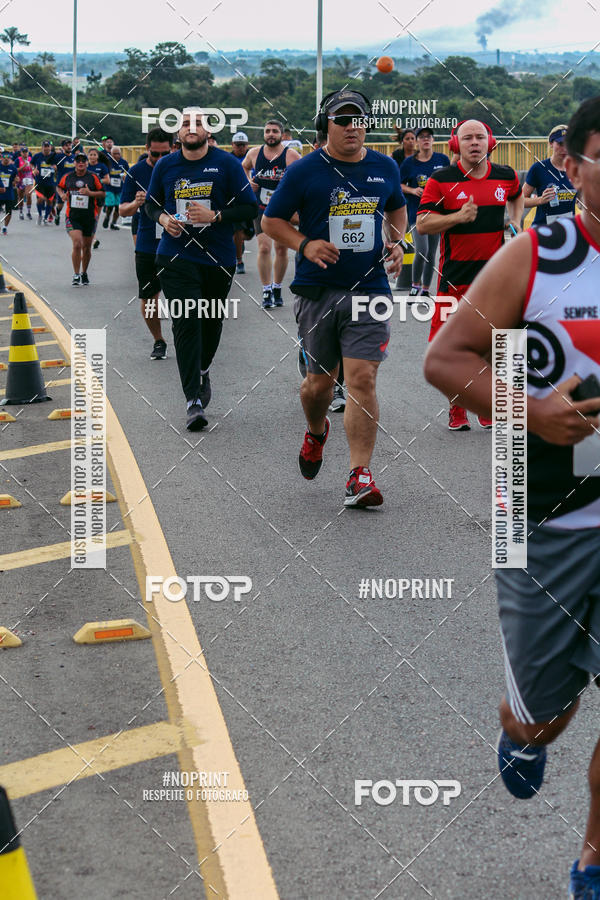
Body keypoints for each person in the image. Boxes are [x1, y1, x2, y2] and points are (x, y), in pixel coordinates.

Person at [423, 95, 600, 900]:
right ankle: (527, 731)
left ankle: (593, 857)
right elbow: (444, 359)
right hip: (538, 504)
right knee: (544, 713)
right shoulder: (538, 256)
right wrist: (529, 410)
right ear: (571, 166)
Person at [262, 89, 407, 507]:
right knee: (318, 386)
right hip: (318, 290)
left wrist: (397, 243)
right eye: (342, 120)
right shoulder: (305, 170)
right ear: (326, 124)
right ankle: (316, 430)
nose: (352, 127)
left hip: (370, 288)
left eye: (359, 119)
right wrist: (305, 244)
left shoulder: (384, 167)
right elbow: (270, 220)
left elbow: (397, 210)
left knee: (362, 378)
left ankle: (359, 474)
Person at [144, 111, 258, 430]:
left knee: (210, 322)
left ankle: (203, 369)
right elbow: (151, 203)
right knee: (186, 322)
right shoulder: (166, 165)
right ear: (178, 133)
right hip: (176, 257)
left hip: (218, 258)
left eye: (197, 124)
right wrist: (164, 219)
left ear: (208, 131)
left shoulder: (227, 164)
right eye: (185, 124)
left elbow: (249, 207)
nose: (191, 129)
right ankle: (193, 399)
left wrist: (216, 216)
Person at [416, 119, 523, 431]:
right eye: (467, 138)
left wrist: (514, 220)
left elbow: (516, 193)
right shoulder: (441, 179)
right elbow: (422, 223)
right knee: (454, 348)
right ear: (455, 145)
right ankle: (457, 408)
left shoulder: (505, 176)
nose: (474, 143)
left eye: (480, 137)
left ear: (489, 142)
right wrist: (457, 217)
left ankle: (485, 405)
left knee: (492, 345)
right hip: (454, 279)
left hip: (492, 281)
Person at [119, 127, 172, 359]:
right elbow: (122, 210)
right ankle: (158, 340)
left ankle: (186, 336)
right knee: (149, 297)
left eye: (165, 154)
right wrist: (136, 203)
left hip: (178, 243)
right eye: (155, 155)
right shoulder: (136, 172)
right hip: (148, 244)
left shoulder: (179, 168)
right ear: (147, 150)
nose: (160, 159)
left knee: (185, 296)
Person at [242, 120, 301, 307]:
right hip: (261, 207)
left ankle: (277, 286)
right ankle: (266, 290)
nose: (270, 134)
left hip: (282, 209)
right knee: (264, 247)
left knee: (281, 249)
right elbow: (243, 166)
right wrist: (248, 181)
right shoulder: (254, 153)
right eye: (267, 131)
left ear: (282, 135)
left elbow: (303, 176)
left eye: (274, 131)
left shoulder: (291, 155)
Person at [399, 127, 449, 297]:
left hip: (437, 214)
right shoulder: (409, 163)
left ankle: (426, 289)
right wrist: (413, 190)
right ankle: (414, 286)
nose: (426, 140)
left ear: (433, 140)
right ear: (417, 141)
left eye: (429, 137)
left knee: (431, 253)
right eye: (422, 137)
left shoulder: (442, 159)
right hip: (417, 213)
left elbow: (450, 181)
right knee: (422, 250)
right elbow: (399, 184)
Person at [57, 152, 105, 286]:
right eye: (78, 161)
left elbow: (103, 193)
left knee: (87, 247)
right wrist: (62, 195)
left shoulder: (93, 177)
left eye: (83, 160)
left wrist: (90, 193)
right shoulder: (67, 177)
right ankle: (76, 274)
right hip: (72, 216)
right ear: (74, 163)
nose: (81, 163)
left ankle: (84, 273)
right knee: (77, 243)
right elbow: (59, 187)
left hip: (89, 216)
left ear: (87, 163)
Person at [523, 124, 577, 226]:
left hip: (567, 231)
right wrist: (540, 200)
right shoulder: (538, 168)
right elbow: (520, 200)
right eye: (560, 143)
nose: (565, 148)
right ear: (551, 143)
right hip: (543, 230)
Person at [230, 131, 251, 273]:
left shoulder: (251, 158)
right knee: (237, 230)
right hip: (234, 200)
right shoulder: (228, 159)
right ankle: (238, 260)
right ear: (233, 145)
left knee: (249, 233)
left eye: (243, 145)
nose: (241, 147)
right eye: (238, 145)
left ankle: (238, 243)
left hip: (251, 199)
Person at [86, 147, 110, 249]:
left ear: (98, 156)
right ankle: (92, 239)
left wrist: (96, 180)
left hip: (99, 194)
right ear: (88, 156)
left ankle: (91, 238)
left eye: (94, 155)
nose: (92, 157)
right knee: (87, 217)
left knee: (95, 218)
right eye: (90, 155)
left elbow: (107, 180)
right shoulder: (85, 166)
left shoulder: (102, 166)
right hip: (87, 196)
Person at [31, 140, 57, 225]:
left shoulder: (54, 156)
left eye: (47, 146)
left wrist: (55, 167)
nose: (46, 148)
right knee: (41, 199)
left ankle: (46, 218)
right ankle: (40, 215)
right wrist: (34, 169)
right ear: (42, 147)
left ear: (50, 147)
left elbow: (58, 166)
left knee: (50, 201)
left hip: (50, 183)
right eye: (44, 146)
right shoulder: (37, 156)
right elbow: (31, 164)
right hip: (39, 182)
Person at [102, 146, 129, 229]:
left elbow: (129, 173)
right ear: (111, 154)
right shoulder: (107, 162)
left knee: (118, 207)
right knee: (110, 206)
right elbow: (103, 173)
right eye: (114, 154)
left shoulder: (123, 162)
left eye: (118, 154)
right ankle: (107, 217)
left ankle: (113, 223)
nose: (116, 155)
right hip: (109, 187)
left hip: (120, 187)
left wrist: (125, 177)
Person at [53, 138, 76, 226]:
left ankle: (70, 219)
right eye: (67, 145)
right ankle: (58, 214)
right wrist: (53, 166)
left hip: (73, 183)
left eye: (70, 145)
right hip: (61, 184)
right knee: (60, 204)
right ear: (63, 147)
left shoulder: (74, 157)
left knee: (73, 203)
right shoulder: (59, 157)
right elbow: (50, 162)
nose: (69, 147)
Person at [0, 148, 18, 234]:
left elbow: (15, 180)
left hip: (8, 192)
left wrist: (16, 181)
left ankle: (5, 227)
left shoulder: (13, 168)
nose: (6, 158)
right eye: (4, 156)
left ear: (10, 157)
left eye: (8, 157)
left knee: (8, 211)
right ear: (1, 157)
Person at [15, 150, 34, 219]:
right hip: (20, 180)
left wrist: (34, 170)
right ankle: (21, 212)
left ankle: (28, 212)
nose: (25, 153)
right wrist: (23, 166)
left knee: (28, 195)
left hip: (29, 178)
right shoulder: (18, 160)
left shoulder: (31, 159)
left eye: (26, 152)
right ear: (21, 153)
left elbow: (34, 167)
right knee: (20, 197)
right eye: (23, 152)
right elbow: (16, 169)